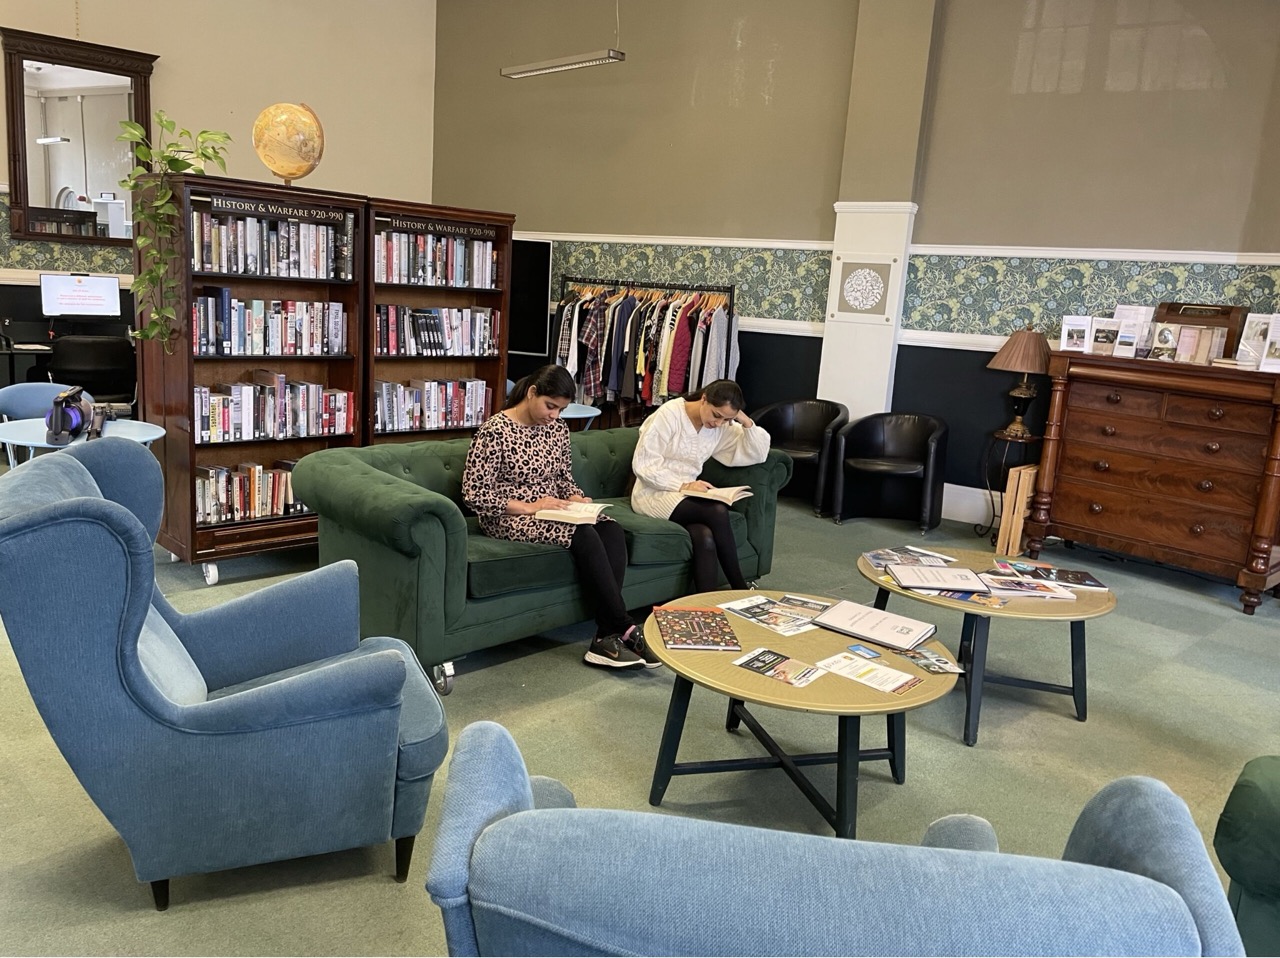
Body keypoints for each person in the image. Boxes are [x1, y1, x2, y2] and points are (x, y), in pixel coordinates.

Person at [462, 364, 657, 670]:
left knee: (611, 530)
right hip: (508, 515)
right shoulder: (495, 430)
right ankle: (622, 624)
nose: (554, 415)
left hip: (552, 509)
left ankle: (605, 636)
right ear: (531, 393)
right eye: (550, 406)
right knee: (583, 535)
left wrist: (577, 497)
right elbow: (474, 495)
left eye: (561, 410)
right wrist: (529, 506)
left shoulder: (557, 429)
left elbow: (563, 477)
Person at [631, 380, 771, 593]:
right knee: (717, 510)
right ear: (703, 398)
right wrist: (682, 484)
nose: (719, 423)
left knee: (704, 536)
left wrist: (744, 420)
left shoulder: (720, 425)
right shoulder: (670, 414)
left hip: (689, 496)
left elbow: (758, 453)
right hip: (653, 492)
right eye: (716, 415)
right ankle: (740, 589)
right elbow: (643, 466)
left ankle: (706, 603)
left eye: (727, 419)